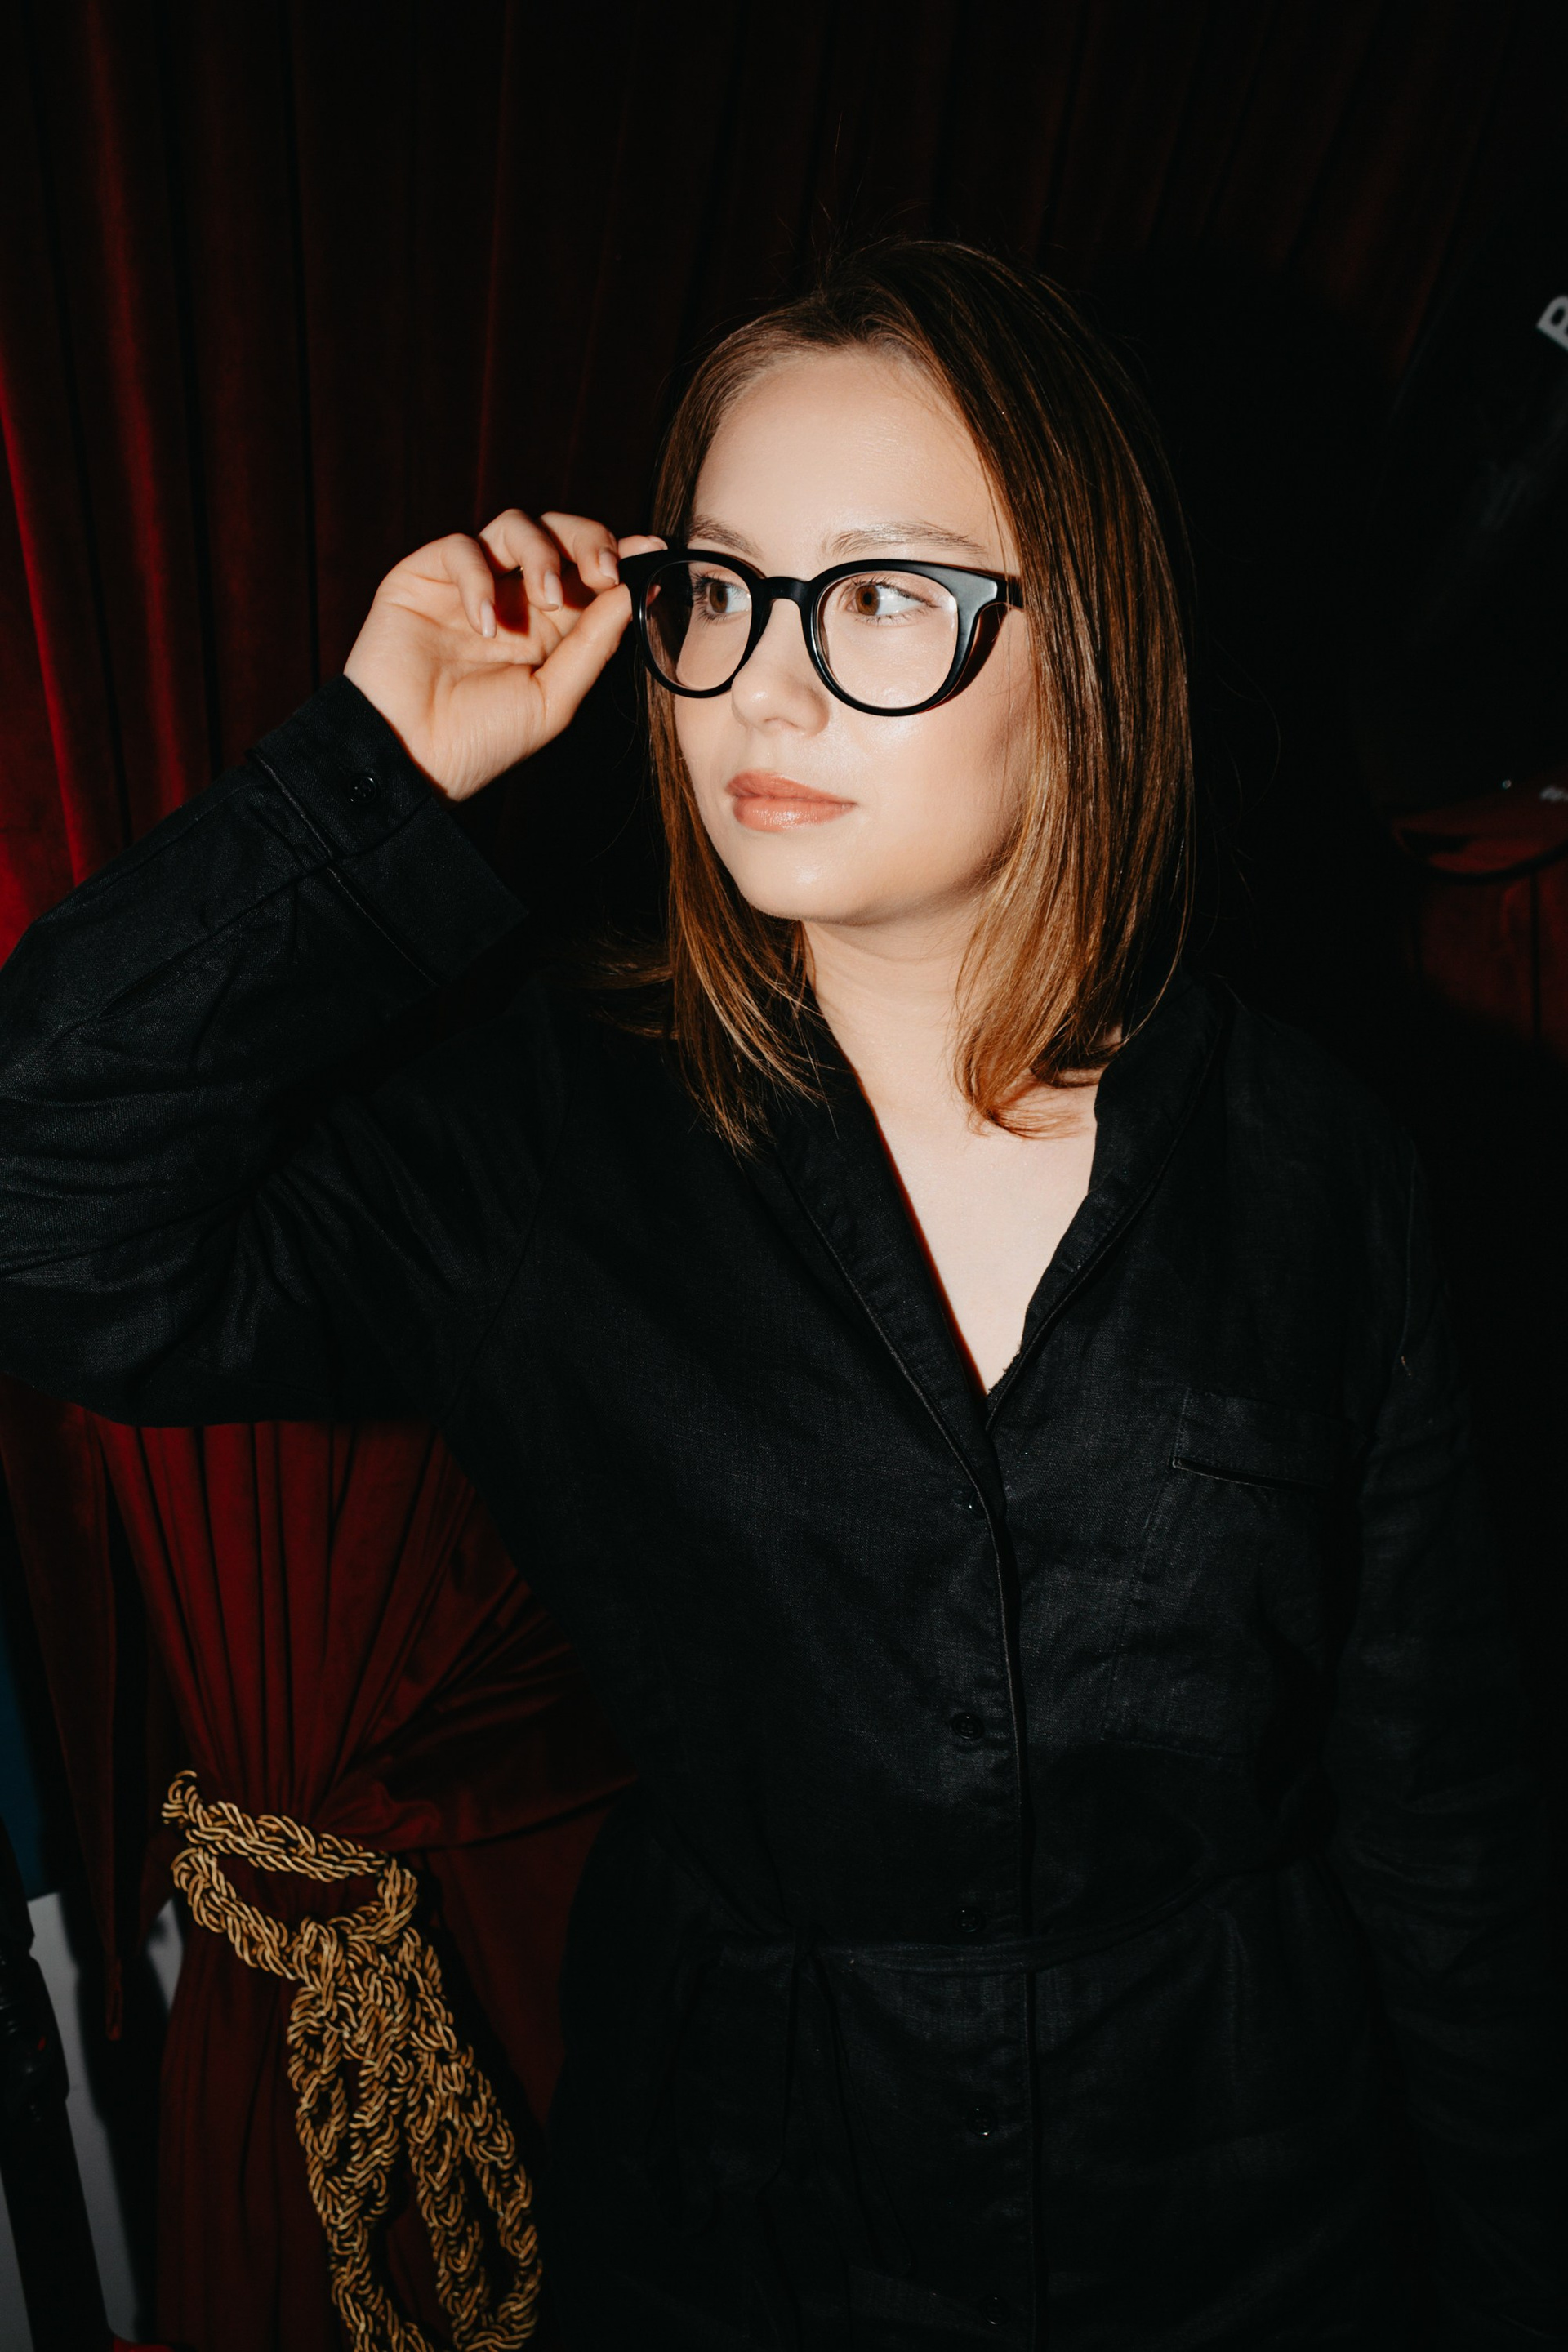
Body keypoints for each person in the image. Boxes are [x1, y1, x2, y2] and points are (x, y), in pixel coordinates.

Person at [0, 240, 1560, 2351]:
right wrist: (370, 771)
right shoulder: (546, 1143)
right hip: (743, 2228)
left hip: (1262, 2228)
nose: (767, 688)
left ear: (1092, 649)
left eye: (887, 594)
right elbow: (46, 1211)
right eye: (721, 591)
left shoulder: (1320, 1165)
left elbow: (1449, 1826)